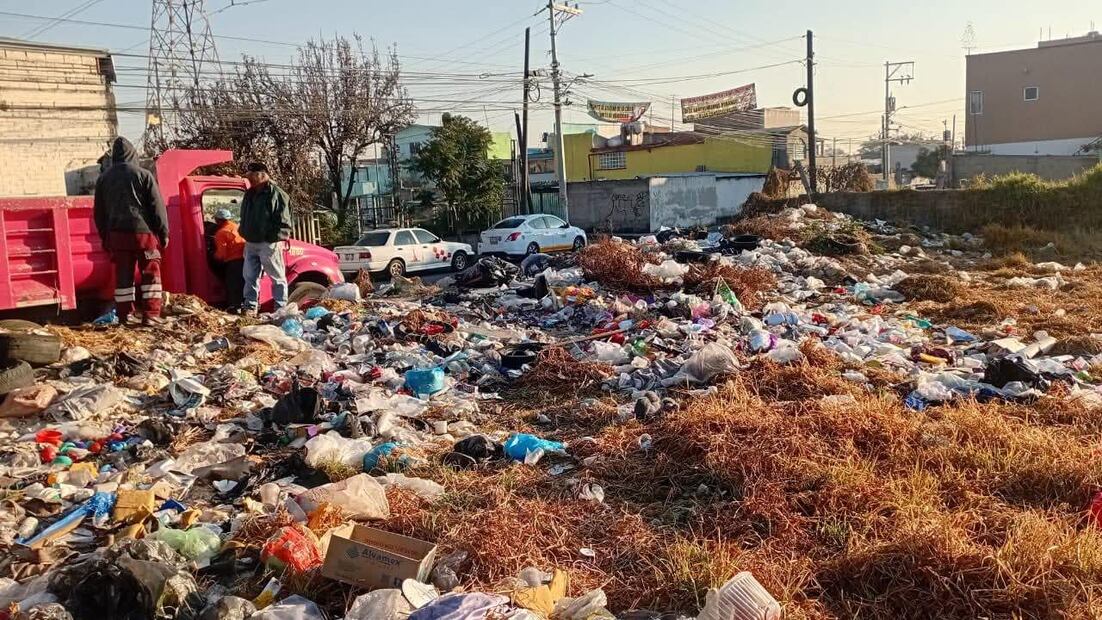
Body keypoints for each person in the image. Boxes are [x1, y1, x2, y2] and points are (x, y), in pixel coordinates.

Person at [92, 136, 168, 326]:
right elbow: (156, 207)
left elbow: (99, 213)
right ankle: (151, 315)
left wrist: (105, 237)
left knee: (123, 277)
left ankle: (125, 316)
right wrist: (163, 232)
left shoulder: (103, 179)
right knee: (151, 274)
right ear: (133, 154)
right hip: (143, 234)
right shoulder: (144, 175)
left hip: (117, 236)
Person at [239, 162, 293, 314]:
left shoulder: (277, 194)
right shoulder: (249, 193)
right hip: (250, 242)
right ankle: (250, 307)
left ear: (261, 174)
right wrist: (243, 231)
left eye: (251, 175)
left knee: (277, 277)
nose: (249, 178)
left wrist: (271, 238)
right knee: (249, 277)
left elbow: (284, 221)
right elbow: (244, 215)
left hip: (268, 243)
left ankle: (280, 308)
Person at [212, 209, 246, 310]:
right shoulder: (238, 227)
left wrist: (213, 257)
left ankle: (234, 307)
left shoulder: (221, 233)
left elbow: (221, 254)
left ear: (218, 220)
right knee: (244, 284)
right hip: (245, 260)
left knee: (233, 285)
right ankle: (244, 305)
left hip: (233, 263)